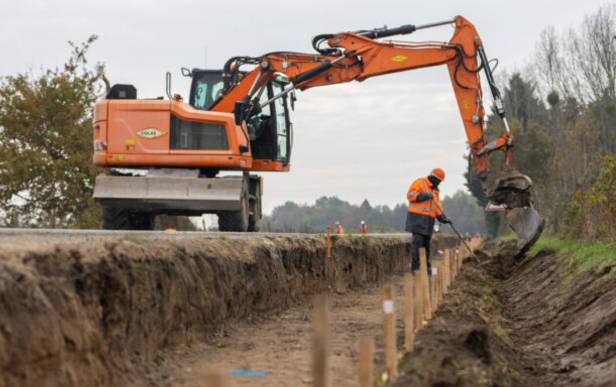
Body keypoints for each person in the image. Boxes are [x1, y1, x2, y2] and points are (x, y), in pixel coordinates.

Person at [405, 168, 451, 275]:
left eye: (440, 181)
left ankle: (426, 268)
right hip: (417, 219)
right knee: (417, 244)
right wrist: (425, 195)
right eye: (438, 181)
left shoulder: (436, 191)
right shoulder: (420, 183)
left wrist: (442, 218)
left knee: (426, 245)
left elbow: (437, 207)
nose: (439, 183)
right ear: (433, 178)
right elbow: (410, 196)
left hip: (428, 221)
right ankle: (416, 268)